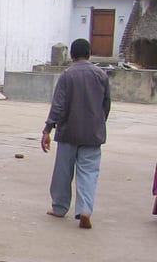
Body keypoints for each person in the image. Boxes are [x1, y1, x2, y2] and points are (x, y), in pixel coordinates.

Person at [41, 38, 111, 229]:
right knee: (89, 173)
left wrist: (48, 129)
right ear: (89, 54)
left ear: (71, 55)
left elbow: (58, 106)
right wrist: (97, 123)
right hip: (92, 134)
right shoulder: (101, 75)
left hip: (68, 132)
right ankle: (85, 210)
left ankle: (60, 207)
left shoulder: (67, 75)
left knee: (63, 172)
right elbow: (106, 105)